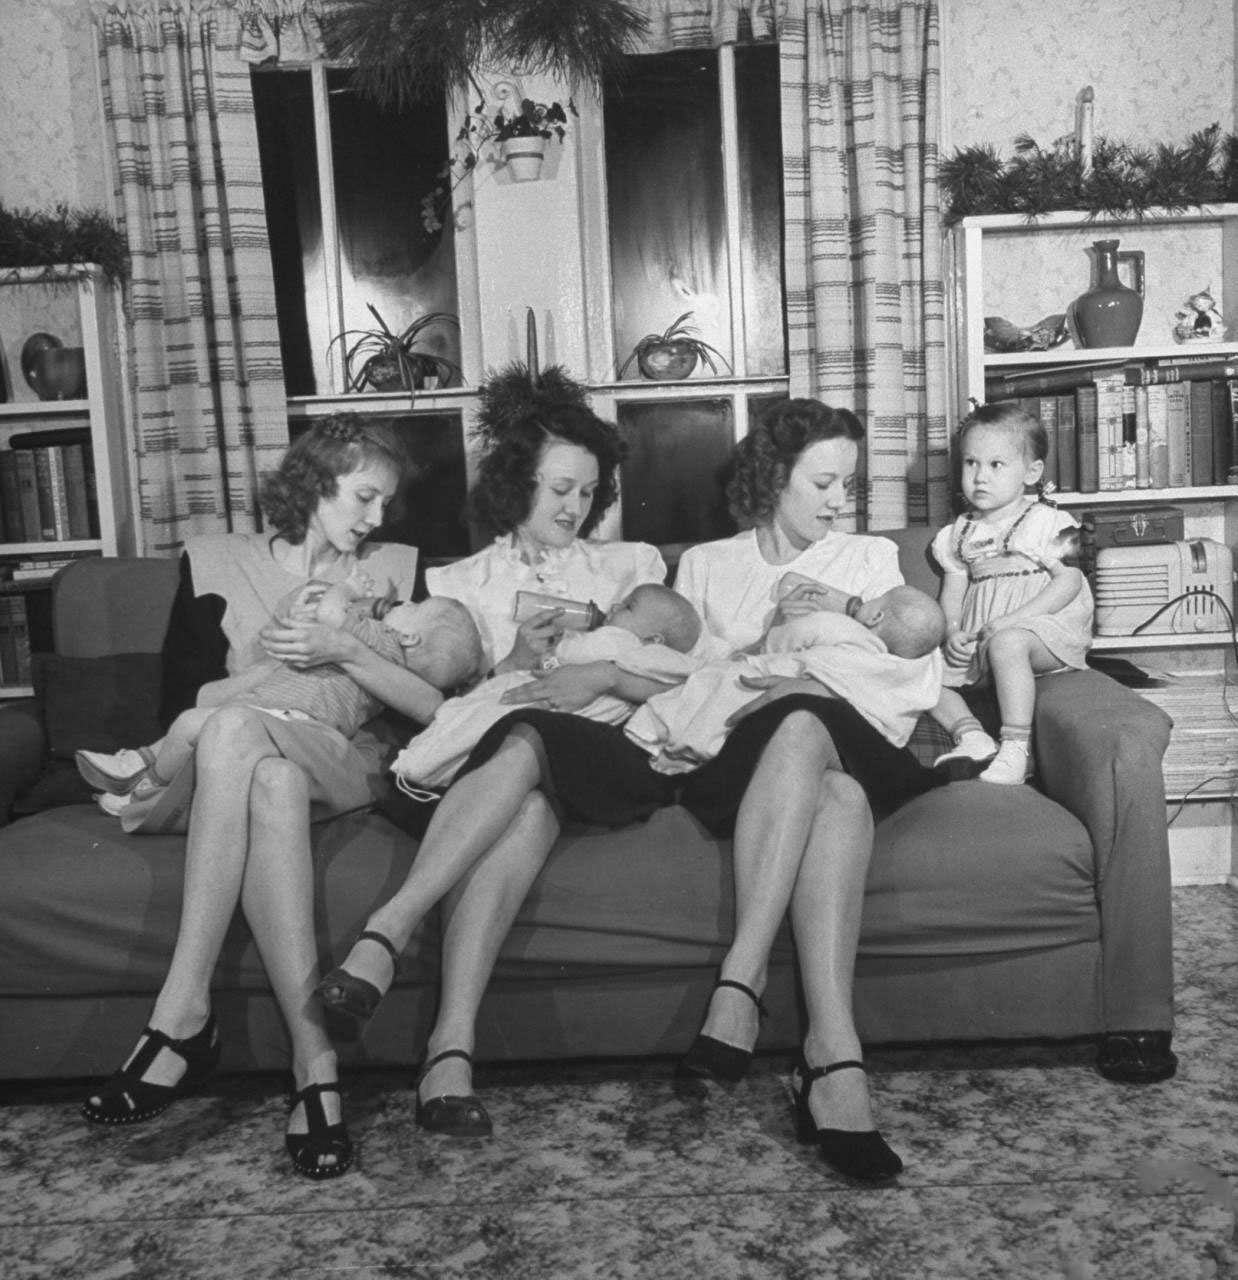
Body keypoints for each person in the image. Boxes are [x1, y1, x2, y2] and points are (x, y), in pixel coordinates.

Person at [323, 397, 943, 1185]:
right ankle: (828, 1061)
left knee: (811, 736)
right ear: (775, 476)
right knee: (821, 785)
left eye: (586, 491)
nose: (838, 500)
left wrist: (836, 620)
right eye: (823, 480)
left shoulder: (859, 563)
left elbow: (887, 660)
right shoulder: (704, 565)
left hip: (818, 725)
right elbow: (689, 676)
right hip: (723, 745)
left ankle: (755, 993)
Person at [79, 416, 440, 1182]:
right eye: (364, 498)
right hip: (232, 766)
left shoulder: (398, 572)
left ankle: (181, 1015)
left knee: (244, 738)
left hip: (340, 762)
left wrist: (342, 647)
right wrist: (274, 667)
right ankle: (316, 1073)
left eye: (386, 503)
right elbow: (185, 700)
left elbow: (430, 701)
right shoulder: (214, 563)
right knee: (257, 763)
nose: (378, 520)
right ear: (313, 485)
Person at [314, 390, 669, 1138]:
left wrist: (601, 673)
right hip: (495, 760)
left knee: (534, 735)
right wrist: (511, 659)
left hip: (608, 749)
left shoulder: (633, 566)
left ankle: (386, 930)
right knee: (529, 785)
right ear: (518, 486)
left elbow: (680, 674)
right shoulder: (459, 583)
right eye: (558, 489)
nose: (575, 507)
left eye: (587, 491)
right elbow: (446, 703)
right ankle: (450, 1054)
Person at [76, 577, 481, 821]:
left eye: (414, 606)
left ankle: (143, 782)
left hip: (284, 718)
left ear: (408, 636)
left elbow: (334, 615)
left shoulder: (382, 639)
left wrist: (346, 588)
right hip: (285, 717)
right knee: (199, 725)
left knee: (190, 723)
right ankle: (140, 771)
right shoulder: (386, 667)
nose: (403, 604)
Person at [390, 582, 701, 792]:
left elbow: (576, 655)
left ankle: (424, 764)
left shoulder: (620, 643)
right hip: (542, 700)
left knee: (476, 723)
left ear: (654, 640)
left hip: (550, 707)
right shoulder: (643, 657)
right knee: (477, 721)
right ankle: (432, 766)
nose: (616, 605)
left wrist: (557, 654)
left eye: (629, 607)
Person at [928, 401, 1093, 785]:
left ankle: (1016, 749)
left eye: (995, 465)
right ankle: (972, 735)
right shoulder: (958, 533)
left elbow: (1069, 581)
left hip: (1043, 630)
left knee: (1007, 644)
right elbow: (954, 589)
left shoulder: (1048, 520)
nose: (979, 477)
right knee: (921, 670)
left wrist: (1014, 621)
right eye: (971, 464)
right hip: (986, 633)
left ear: (1032, 472)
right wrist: (951, 630)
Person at [624, 580, 945, 773]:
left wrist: (771, 641)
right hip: (810, 729)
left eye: (873, 600)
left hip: (774, 679)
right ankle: (693, 752)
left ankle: (653, 736)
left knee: (713, 685)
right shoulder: (894, 670)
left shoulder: (844, 627)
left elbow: (791, 637)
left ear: (876, 615)